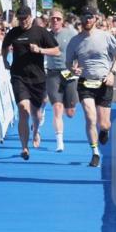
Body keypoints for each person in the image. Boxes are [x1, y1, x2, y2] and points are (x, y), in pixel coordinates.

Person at [64, 7, 116, 168]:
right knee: (90, 117)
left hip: (104, 82)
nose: (87, 20)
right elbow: (68, 62)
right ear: (81, 20)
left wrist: (112, 73)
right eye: (84, 17)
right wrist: (72, 69)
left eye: (90, 17)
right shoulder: (75, 41)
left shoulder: (105, 37)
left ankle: (104, 131)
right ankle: (95, 152)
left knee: (104, 124)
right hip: (85, 83)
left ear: (95, 19)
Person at [2, 6, 59, 160]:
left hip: (38, 78)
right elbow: (4, 46)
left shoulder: (40, 32)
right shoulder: (13, 32)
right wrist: (5, 61)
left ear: (31, 17)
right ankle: (24, 148)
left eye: (25, 18)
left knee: (37, 114)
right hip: (19, 76)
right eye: (20, 19)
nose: (23, 21)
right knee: (23, 109)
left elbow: (56, 50)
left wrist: (40, 50)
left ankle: (36, 131)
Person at [44, 9, 79, 152]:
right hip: (53, 75)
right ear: (49, 21)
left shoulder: (70, 33)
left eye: (58, 19)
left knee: (70, 112)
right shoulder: (45, 35)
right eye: (53, 19)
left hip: (69, 74)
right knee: (57, 108)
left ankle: (68, 104)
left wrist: (78, 64)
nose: (55, 21)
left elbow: (80, 49)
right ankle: (59, 141)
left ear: (62, 20)